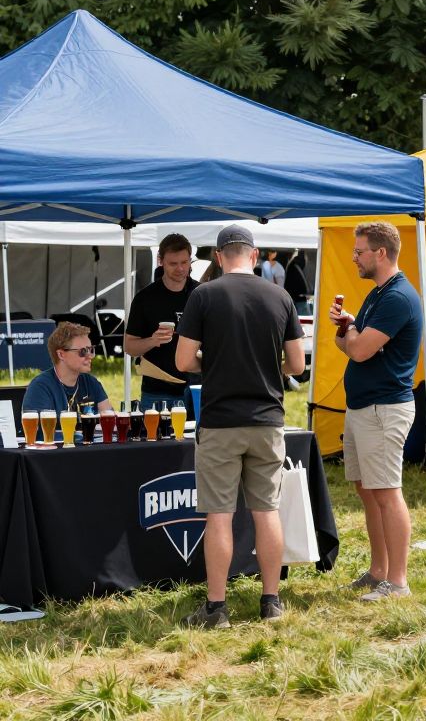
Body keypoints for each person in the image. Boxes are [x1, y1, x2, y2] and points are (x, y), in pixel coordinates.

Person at [175, 225, 305, 628]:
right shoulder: (280, 296)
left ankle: (216, 609)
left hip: (220, 422)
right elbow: (297, 365)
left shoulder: (203, 295)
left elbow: (183, 361)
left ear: (218, 257)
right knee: (267, 512)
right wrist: (266, 367)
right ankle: (271, 602)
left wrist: (213, 363)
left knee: (219, 515)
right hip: (267, 420)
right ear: (254, 254)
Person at [329, 221, 423, 601]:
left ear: (380, 253)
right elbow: (349, 345)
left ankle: (397, 582)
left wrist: (352, 334)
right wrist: (349, 327)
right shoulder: (379, 294)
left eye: (359, 251)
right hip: (364, 408)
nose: (354, 258)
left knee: (386, 492)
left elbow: (359, 350)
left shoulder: (398, 297)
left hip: (383, 409)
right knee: (368, 491)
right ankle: (379, 571)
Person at [125, 233, 198, 412]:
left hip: (198, 388)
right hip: (158, 391)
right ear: (161, 261)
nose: (180, 268)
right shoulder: (145, 298)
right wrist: (153, 340)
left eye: (185, 262)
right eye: (173, 263)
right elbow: (129, 347)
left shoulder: (202, 294)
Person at [24, 322, 113, 440]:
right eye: (83, 351)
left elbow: (111, 421)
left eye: (91, 350)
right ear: (61, 354)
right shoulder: (40, 387)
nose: (90, 356)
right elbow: (42, 435)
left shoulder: (91, 382)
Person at [284, 249, 311, 315]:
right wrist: (305, 293)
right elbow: (301, 286)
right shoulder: (295, 267)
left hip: (295, 299)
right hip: (298, 300)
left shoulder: (292, 266)